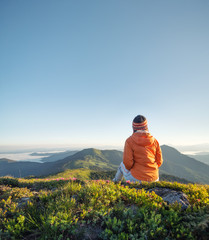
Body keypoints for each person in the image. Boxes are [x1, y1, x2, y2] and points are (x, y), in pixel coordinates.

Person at [113, 115, 163, 183]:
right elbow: (159, 161)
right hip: (154, 179)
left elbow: (127, 164)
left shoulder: (129, 141)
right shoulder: (154, 141)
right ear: (146, 127)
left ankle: (115, 183)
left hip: (137, 178)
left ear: (134, 128)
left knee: (122, 165)